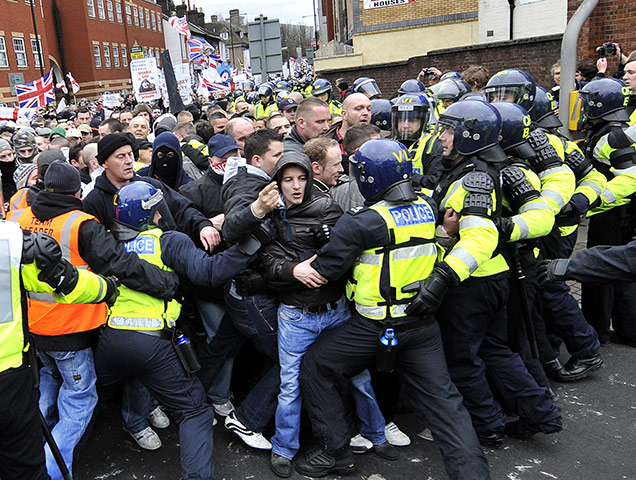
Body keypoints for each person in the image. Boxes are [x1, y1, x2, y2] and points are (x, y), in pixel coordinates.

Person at [290, 139, 490, 479]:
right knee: (446, 405)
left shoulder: (362, 221)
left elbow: (325, 270)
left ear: (370, 178)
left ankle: (335, 453)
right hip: (422, 325)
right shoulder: (429, 205)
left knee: (317, 366)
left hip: (372, 327)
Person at [6, 160, 178, 479]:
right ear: (77, 191)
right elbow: (120, 263)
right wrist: (163, 283)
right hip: (71, 330)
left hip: (29, 331)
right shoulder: (80, 223)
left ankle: (23, 451)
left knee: (43, 390)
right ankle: (49, 470)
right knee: (79, 403)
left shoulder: (16, 216)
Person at [95, 180, 261, 480]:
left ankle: (42, 459)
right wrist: (247, 248)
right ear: (149, 215)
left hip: (110, 341)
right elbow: (209, 273)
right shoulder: (168, 241)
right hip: (153, 345)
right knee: (196, 411)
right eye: (157, 210)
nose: (162, 213)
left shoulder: (110, 244)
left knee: (86, 402)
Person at [433, 100, 562, 446]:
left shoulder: (472, 179)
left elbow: (478, 235)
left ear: (468, 137)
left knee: (463, 357)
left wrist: (446, 273)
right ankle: (541, 412)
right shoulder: (496, 168)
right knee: (495, 350)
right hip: (498, 277)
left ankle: (487, 424)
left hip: (471, 281)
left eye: (449, 131)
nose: (442, 138)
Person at [0, 219, 116, 480]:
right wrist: (107, 288)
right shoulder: (10, 240)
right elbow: (69, 283)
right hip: (11, 379)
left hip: (38, 347)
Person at [82, 133, 219, 251]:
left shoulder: (150, 185)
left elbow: (181, 208)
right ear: (104, 163)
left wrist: (203, 225)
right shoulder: (94, 202)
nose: (129, 161)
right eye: (121, 157)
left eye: (130, 154)